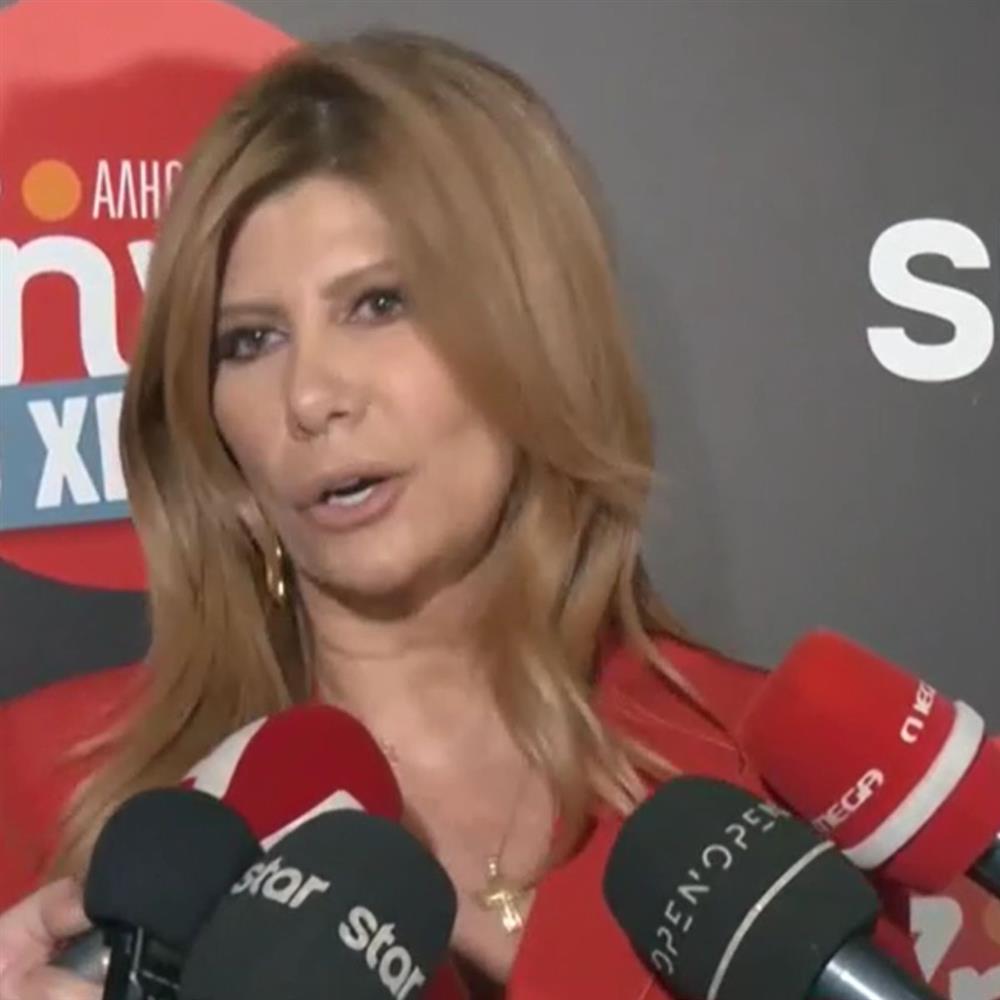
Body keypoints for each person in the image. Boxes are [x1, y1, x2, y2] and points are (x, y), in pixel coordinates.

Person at [0, 28, 921, 1000]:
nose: (311, 396)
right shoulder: (51, 791)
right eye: (250, 340)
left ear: (535, 330)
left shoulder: (773, 786)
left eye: (379, 304)